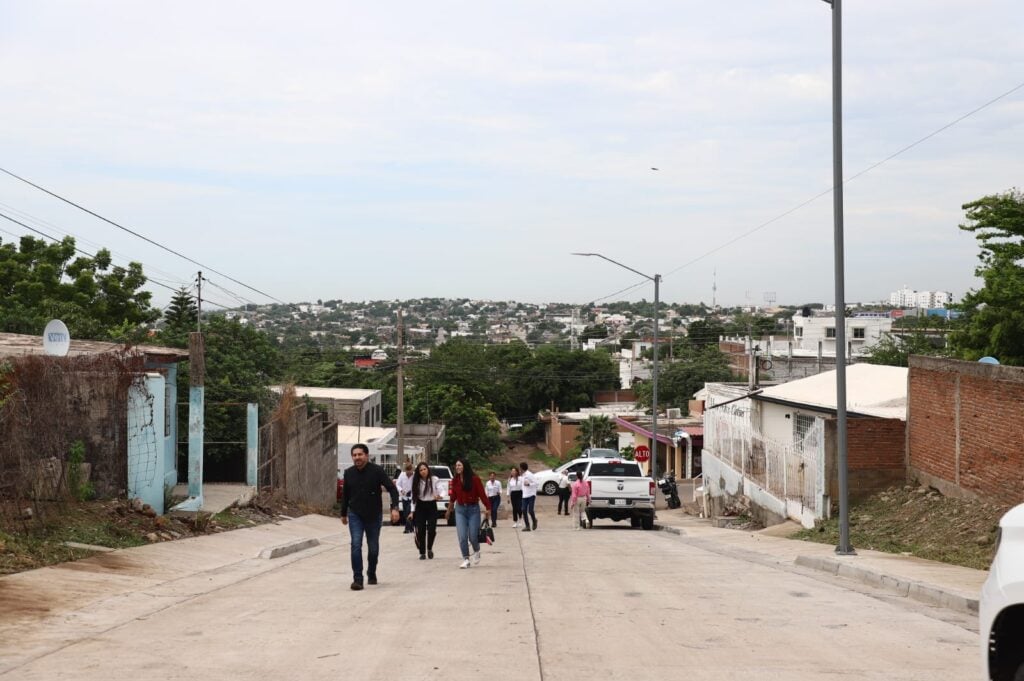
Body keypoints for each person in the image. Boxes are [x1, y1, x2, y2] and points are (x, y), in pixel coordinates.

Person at [340, 443, 400, 591]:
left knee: (373, 549)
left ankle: (371, 571)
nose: (357, 458)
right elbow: (345, 495)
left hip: (374, 515)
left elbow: (392, 489)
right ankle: (358, 579)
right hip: (355, 515)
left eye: (360, 454)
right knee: (355, 544)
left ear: (366, 455)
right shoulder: (348, 473)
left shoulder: (377, 471)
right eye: (354, 455)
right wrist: (343, 513)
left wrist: (395, 508)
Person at [445, 459, 491, 568]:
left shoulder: (475, 479)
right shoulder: (455, 480)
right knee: (462, 536)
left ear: (465, 466)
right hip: (460, 510)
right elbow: (453, 497)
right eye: (456, 465)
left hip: (473, 510)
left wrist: (488, 508)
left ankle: (477, 550)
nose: (457, 467)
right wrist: (448, 511)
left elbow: (482, 495)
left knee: (473, 536)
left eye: (459, 465)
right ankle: (466, 559)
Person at [409, 461, 441, 560]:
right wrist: (412, 511)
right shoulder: (416, 481)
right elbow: (413, 497)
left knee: (432, 529)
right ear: (418, 472)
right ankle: (422, 552)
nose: (423, 471)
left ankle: (429, 548)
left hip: (431, 505)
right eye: (421, 470)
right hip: (420, 506)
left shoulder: (434, 479)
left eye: (424, 469)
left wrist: (440, 495)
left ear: (428, 469)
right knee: (421, 530)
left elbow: (441, 489)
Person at [396, 462, 415, 533]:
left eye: (410, 471)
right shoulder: (402, 475)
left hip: (412, 497)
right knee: (405, 513)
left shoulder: (415, 475)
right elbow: (398, 485)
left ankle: (407, 529)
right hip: (404, 497)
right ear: (405, 470)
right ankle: (411, 528)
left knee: (409, 511)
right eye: (407, 471)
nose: (409, 473)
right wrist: (401, 490)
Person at [519, 461, 538, 531]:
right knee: (523, 510)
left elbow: (536, 483)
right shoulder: (522, 475)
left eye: (520, 468)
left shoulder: (529, 474)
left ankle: (534, 520)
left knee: (530, 510)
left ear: (521, 468)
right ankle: (527, 526)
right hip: (524, 495)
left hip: (531, 495)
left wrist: (529, 484)